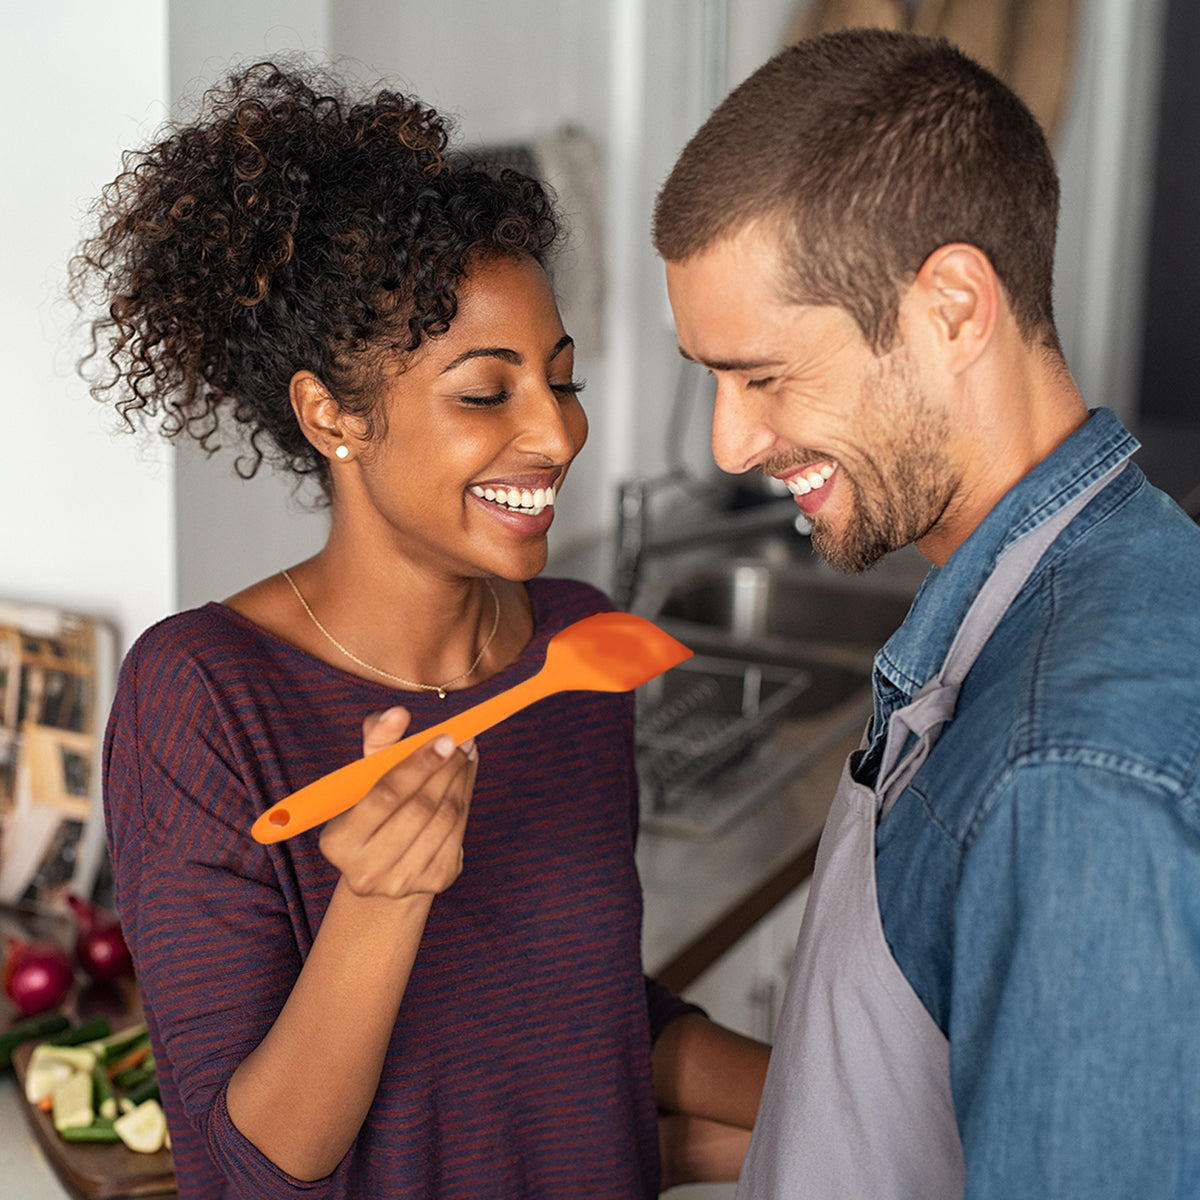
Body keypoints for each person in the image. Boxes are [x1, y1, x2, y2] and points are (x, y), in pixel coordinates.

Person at [76, 62, 768, 1199]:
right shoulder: (201, 698)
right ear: (331, 415)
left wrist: (847, 1094)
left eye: (563, 378)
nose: (556, 433)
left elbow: (583, 1019)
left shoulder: (579, 649)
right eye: (486, 394)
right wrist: (380, 901)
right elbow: (250, 1168)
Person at [652, 27, 1200, 1200]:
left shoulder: (1065, 774)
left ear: (955, 306)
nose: (729, 442)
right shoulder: (1118, 565)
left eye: (763, 375)